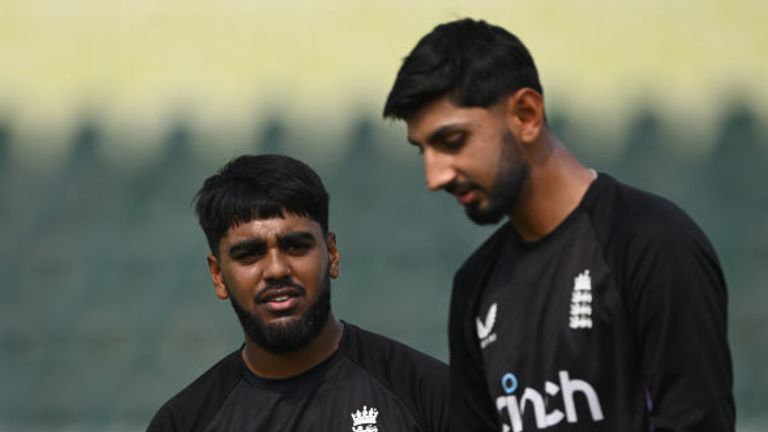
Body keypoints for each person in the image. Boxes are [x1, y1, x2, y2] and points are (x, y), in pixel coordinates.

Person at [383, 18, 734, 431]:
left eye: (452, 141)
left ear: (527, 114)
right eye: (422, 150)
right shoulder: (475, 287)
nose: (434, 176)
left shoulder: (652, 243)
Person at [147, 154, 448, 431]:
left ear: (332, 253)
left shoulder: (426, 391)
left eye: (296, 246)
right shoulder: (183, 423)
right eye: (249, 254)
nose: (277, 269)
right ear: (218, 276)